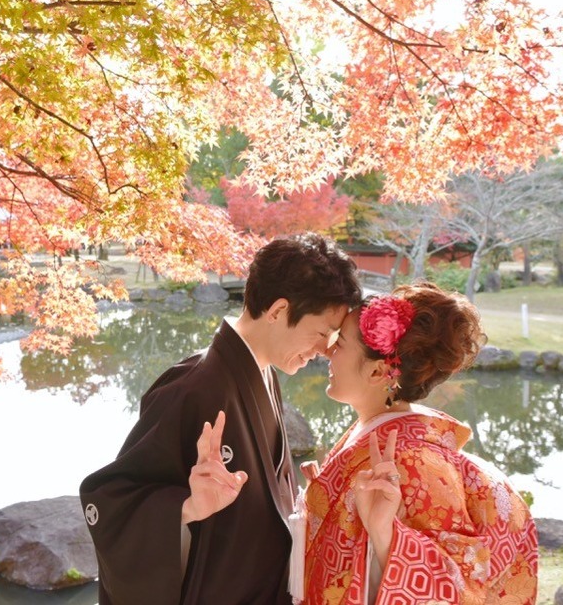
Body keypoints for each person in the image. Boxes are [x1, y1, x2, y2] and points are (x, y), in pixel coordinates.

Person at [79, 234, 362, 605]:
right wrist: (187, 508)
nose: (326, 349)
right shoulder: (195, 387)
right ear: (278, 311)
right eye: (323, 332)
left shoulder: (264, 372)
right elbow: (112, 499)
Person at [299, 282, 538, 605]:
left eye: (339, 344)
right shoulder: (381, 432)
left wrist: (387, 536)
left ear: (378, 371)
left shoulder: (414, 461)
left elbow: (453, 589)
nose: (327, 352)